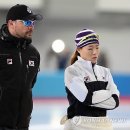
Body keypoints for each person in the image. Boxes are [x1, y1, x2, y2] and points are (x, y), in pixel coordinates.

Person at [61, 29, 120, 130]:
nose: (95, 52)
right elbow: (86, 98)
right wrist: (108, 93)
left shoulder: (105, 72)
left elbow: (115, 101)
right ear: (79, 49)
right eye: (90, 48)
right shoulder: (72, 71)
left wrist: (92, 97)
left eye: (97, 48)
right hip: (79, 125)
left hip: (104, 125)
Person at [0, 4, 42, 130]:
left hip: (22, 125)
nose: (31, 27)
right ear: (11, 23)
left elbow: (30, 85)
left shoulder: (33, 54)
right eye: (27, 22)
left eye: (33, 23)